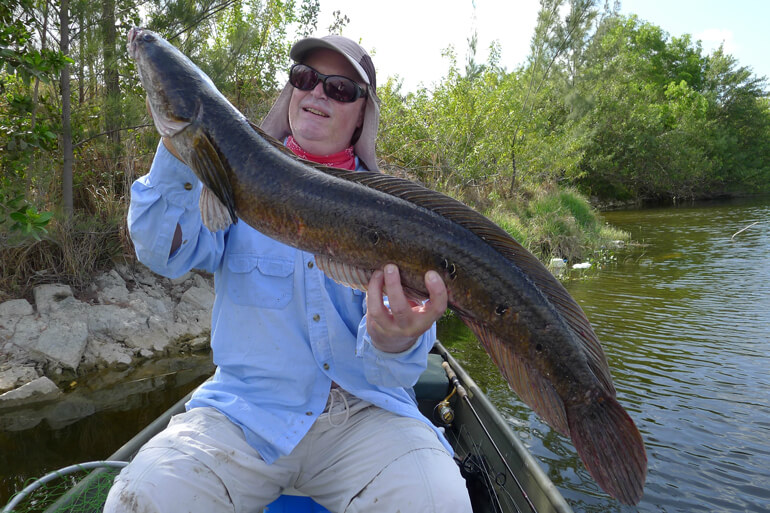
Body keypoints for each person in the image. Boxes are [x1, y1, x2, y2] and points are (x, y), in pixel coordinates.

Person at [104, 35, 473, 512]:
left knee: (436, 502)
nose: (317, 92)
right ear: (291, 91)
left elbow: (393, 373)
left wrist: (394, 339)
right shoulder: (225, 178)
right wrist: (186, 147)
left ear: (362, 114)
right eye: (305, 78)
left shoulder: (395, 211)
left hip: (365, 416)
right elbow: (161, 253)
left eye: (340, 89)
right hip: (243, 415)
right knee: (143, 499)